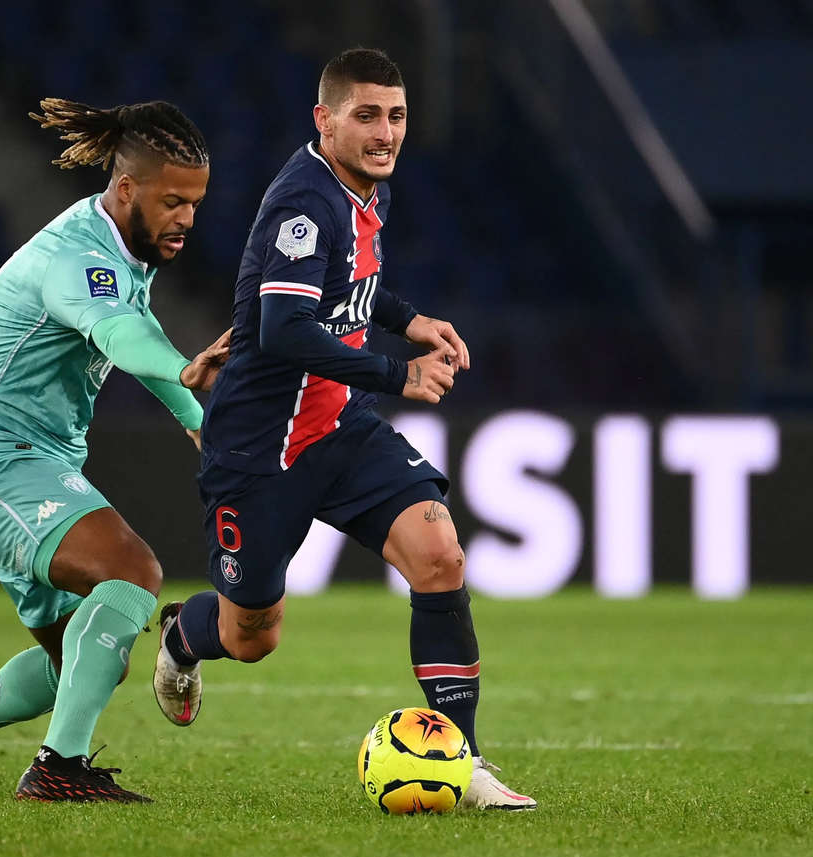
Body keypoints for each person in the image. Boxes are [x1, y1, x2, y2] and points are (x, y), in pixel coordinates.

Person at [152, 48, 536, 810]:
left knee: (439, 553)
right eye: (366, 115)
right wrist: (401, 372)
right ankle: (181, 638)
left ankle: (466, 761)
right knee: (251, 635)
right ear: (324, 121)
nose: (385, 131)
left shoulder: (364, 192)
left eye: (395, 115)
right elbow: (286, 326)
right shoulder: (306, 203)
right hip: (261, 451)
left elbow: (354, 284)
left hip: (340, 428)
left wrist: (410, 318)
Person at [0, 97, 231, 803]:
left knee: (81, 656)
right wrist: (188, 368)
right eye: (172, 201)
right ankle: (58, 766)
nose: (187, 217)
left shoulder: (122, 249)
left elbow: (137, 332)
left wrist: (197, 419)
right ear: (126, 188)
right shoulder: (76, 260)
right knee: (132, 570)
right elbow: (125, 341)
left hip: (25, 465)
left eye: (194, 202)